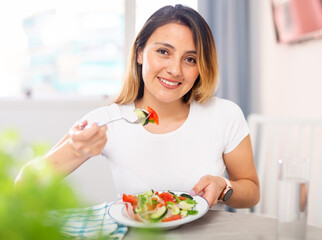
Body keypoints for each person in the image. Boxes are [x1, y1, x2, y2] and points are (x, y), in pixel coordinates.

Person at [16, 4, 259, 209]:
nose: (175, 70)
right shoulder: (108, 121)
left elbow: (251, 190)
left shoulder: (224, 115)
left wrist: (223, 187)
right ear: (140, 53)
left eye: (190, 59)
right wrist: (75, 149)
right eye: (164, 52)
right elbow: (24, 186)